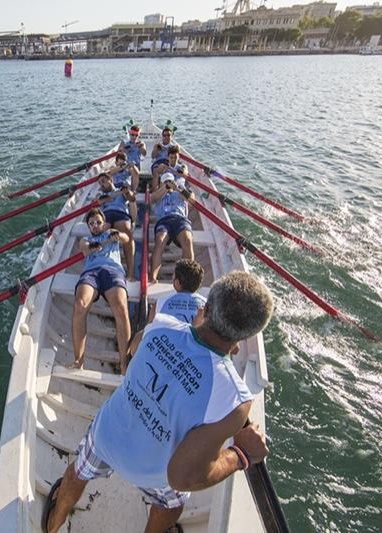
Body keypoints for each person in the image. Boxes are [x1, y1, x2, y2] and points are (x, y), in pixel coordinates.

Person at [42, 271, 274, 533]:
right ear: (244, 338)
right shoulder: (235, 399)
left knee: (77, 472)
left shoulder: (161, 325)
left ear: (205, 309)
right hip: (152, 473)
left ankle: (54, 522)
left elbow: (132, 349)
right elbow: (182, 477)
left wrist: (189, 334)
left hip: (107, 437)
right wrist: (240, 454)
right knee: (172, 504)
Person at [69, 208, 132, 375]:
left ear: (104, 224)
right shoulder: (86, 239)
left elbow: (126, 238)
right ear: (88, 227)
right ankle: (78, 361)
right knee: (80, 305)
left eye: (98, 222)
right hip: (91, 273)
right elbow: (85, 248)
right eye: (91, 224)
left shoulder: (110, 233)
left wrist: (117, 236)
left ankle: (124, 364)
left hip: (113, 271)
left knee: (120, 308)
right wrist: (92, 246)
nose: (95, 226)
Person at [149, 172, 195, 283]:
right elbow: (152, 198)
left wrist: (177, 189)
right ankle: (153, 277)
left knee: (188, 240)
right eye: (165, 182)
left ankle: (185, 276)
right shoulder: (158, 194)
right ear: (161, 184)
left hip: (180, 220)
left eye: (170, 181)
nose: (168, 184)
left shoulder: (180, 193)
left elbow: (192, 199)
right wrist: (165, 188)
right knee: (160, 240)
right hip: (164, 222)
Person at [97, 159, 138, 280]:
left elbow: (131, 199)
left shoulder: (121, 189)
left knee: (127, 234)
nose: (101, 185)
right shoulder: (100, 194)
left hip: (121, 213)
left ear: (111, 180)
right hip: (106, 215)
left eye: (103, 181)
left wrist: (127, 192)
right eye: (100, 183)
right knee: (101, 233)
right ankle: (102, 268)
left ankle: (130, 274)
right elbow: (95, 206)